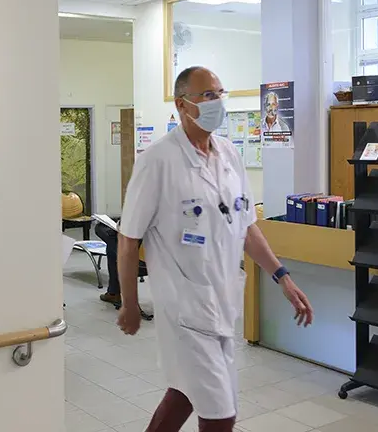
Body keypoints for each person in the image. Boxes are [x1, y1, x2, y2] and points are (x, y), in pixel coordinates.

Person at [116, 67, 314, 432]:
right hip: (184, 308)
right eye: (208, 95)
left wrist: (282, 277)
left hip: (222, 304)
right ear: (182, 105)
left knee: (186, 395)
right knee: (221, 415)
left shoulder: (228, 155)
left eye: (220, 93)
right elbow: (129, 240)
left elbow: (246, 226)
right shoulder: (157, 161)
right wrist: (130, 304)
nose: (218, 102)